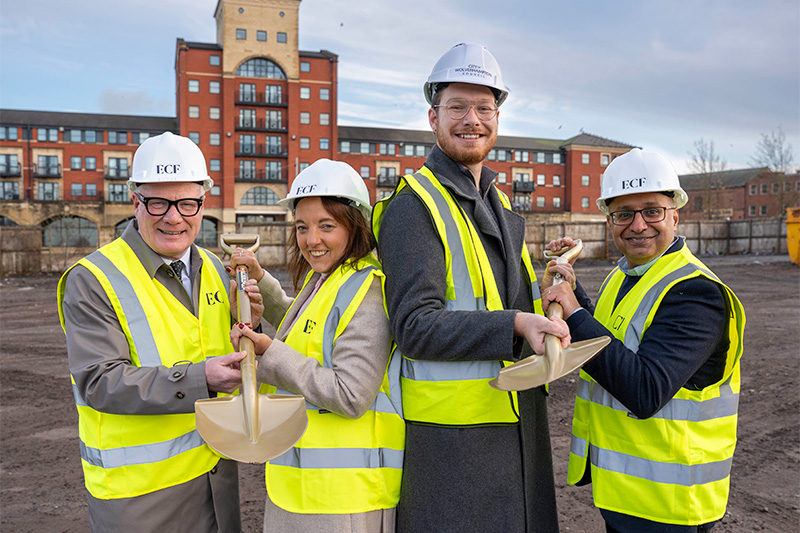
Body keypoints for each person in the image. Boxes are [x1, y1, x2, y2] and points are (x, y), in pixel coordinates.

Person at [371, 43, 570, 532]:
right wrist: (519, 323)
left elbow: (500, 302)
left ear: (497, 117)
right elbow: (416, 326)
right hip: (453, 449)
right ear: (433, 118)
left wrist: (546, 297)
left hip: (513, 426)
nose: (471, 120)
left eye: (484, 108)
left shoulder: (499, 206)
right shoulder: (414, 206)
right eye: (457, 107)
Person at [57, 132, 255, 532]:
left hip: (215, 478)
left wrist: (251, 329)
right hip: (141, 499)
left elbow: (219, 349)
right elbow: (100, 381)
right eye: (158, 203)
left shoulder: (216, 269)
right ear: (135, 202)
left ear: (203, 203)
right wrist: (204, 377)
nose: (174, 217)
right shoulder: (94, 278)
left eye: (187, 203)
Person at [543, 148, 746, 532]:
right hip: (628, 494)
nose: (637, 225)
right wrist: (573, 290)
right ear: (609, 220)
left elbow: (645, 389)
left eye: (651, 211)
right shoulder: (627, 274)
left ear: (675, 213)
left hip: (670, 506)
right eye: (624, 214)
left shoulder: (696, 293)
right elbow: (612, 335)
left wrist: (573, 312)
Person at [229, 159, 404, 533]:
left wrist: (267, 354)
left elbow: (351, 393)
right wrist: (262, 280)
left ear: (355, 225)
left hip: (346, 499)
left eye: (327, 226)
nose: (312, 240)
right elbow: (308, 328)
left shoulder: (368, 289)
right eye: (302, 227)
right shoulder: (329, 278)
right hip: (306, 489)